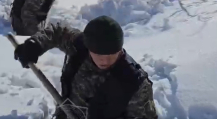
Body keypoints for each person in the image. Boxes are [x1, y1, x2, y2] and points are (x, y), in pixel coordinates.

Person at [14, 15, 158, 119]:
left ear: (120, 50)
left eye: (112, 54)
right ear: (89, 48)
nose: (105, 60)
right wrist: (35, 44)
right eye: (98, 54)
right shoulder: (79, 47)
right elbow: (57, 31)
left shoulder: (134, 83)